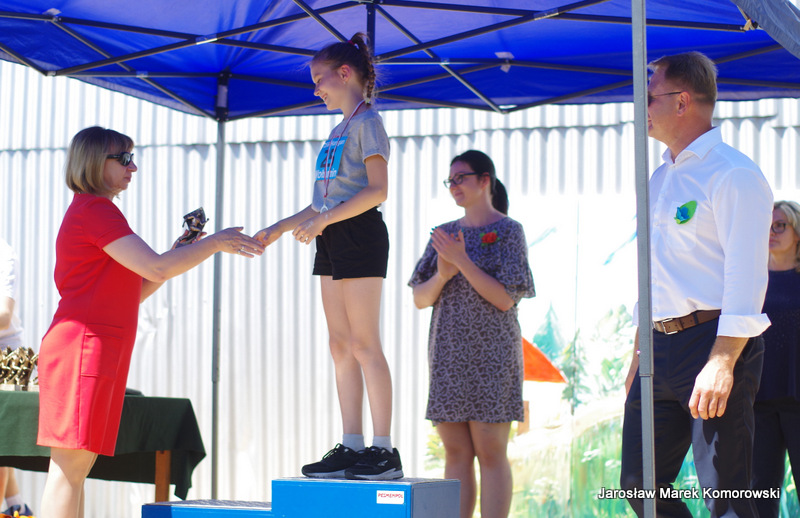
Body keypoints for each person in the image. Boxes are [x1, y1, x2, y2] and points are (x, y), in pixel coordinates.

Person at [36, 126, 264, 518]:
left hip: (89, 347)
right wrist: (215, 243)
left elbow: (141, 284)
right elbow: (156, 267)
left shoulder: (94, 210)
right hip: (83, 348)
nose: (133, 167)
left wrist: (181, 251)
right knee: (69, 470)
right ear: (94, 162)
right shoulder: (96, 210)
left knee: (75, 470)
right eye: (124, 159)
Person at [620, 52, 773, 517]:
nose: (640, 107)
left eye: (649, 97)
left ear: (682, 101)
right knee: (639, 486)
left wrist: (723, 361)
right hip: (657, 347)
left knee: (727, 497)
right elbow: (655, 275)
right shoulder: (660, 177)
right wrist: (639, 352)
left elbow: (747, 275)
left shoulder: (733, 173)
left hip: (713, 341)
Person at [254, 33, 401, 480]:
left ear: (345, 73)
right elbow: (323, 202)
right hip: (332, 234)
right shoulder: (338, 130)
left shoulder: (368, 122)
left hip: (359, 233)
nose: (316, 88)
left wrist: (324, 220)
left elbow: (377, 190)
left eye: (320, 79)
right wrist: (279, 227)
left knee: (364, 343)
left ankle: (384, 450)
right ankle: (352, 445)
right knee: (340, 345)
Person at [409, 150, 535, 518]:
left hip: (493, 358)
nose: (453, 186)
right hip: (448, 357)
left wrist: (461, 261)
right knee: (456, 453)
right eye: (449, 181)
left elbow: (505, 298)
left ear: (484, 181)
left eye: (460, 178)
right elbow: (420, 298)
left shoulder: (509, 231)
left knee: (491, 452)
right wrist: (443, 273)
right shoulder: (444, 235)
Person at [751, 200, 800, 518]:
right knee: (760, 495)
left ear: (797, 232)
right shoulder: (750, 282)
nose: (771, 231)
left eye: (780, 225)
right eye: (767, 226)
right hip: (758, 400)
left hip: (798, 398)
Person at [0, 238, 35, 517]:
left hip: (8, 357)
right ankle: (18, 508)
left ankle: (16, 508)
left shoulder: (4, 254)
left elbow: (3, 316)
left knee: (2, 445)